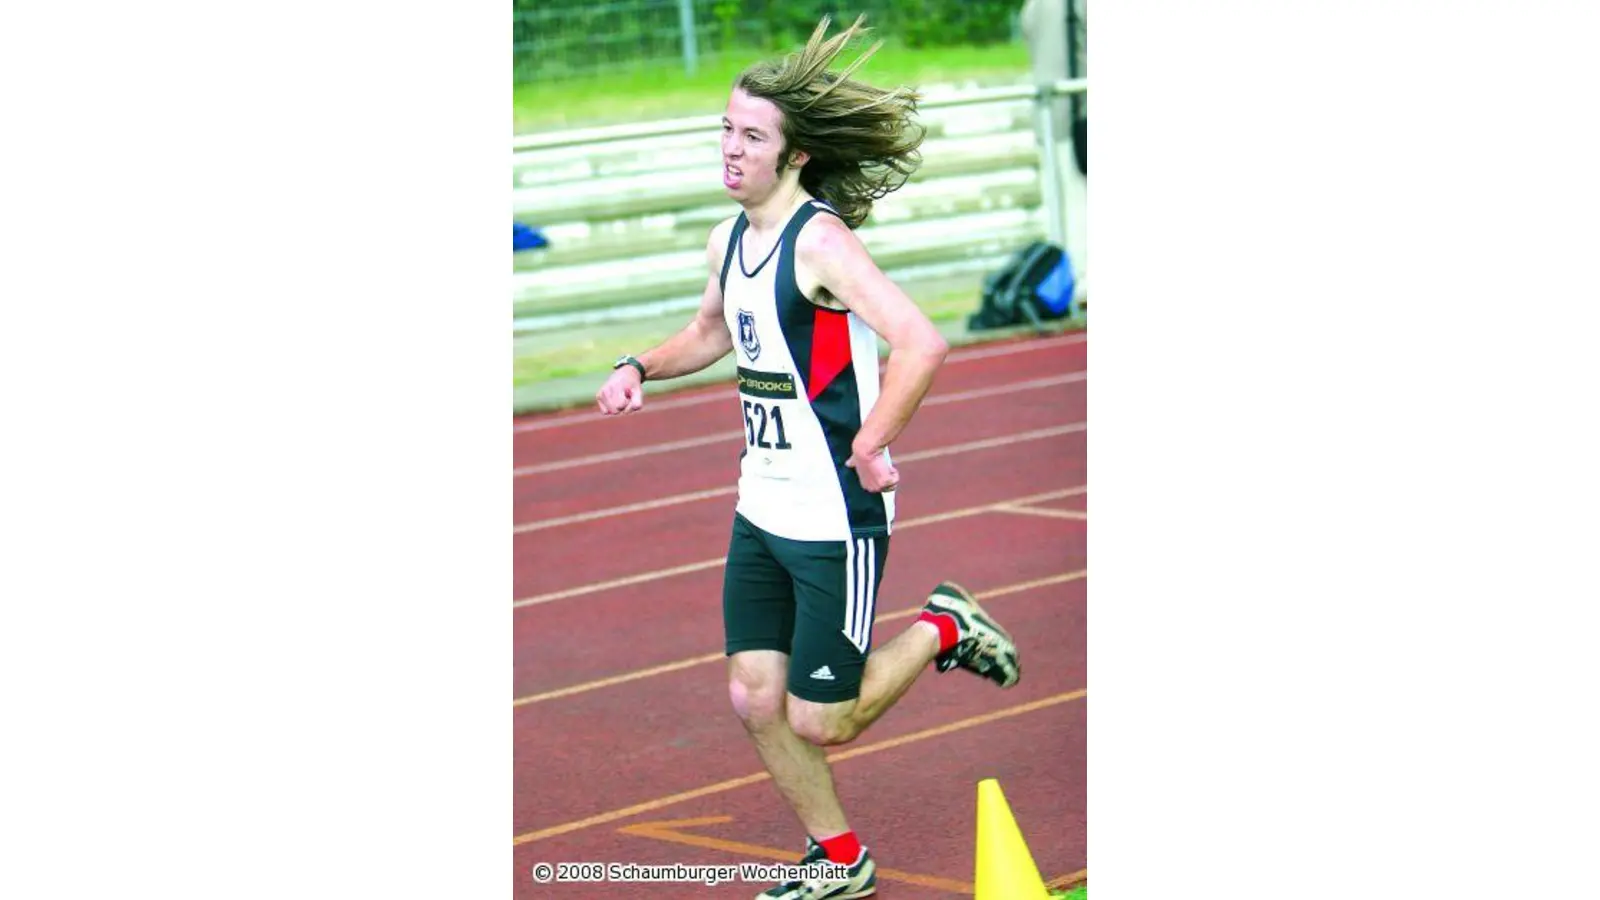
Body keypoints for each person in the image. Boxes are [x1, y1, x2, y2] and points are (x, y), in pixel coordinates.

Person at [594, 15, 1022, 899]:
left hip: (835, 512)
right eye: (725, 128)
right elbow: (713, 330)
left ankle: (945, 624)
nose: (731, 147)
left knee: (824, 719)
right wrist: (642, 366)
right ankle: (839, 860)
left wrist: (870, 442)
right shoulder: (730, 239)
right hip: (763, 504)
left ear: (793, 157)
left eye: (752, 136)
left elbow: (921, 341)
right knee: (756, 698)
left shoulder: (820, 242)